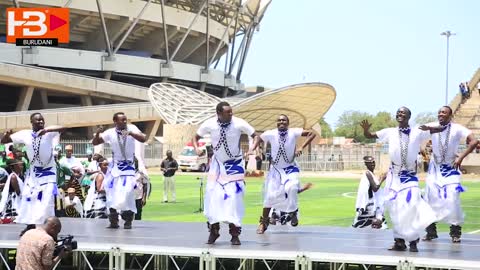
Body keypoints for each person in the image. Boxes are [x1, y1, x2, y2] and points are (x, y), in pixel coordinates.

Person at [361, 107, 437, 252]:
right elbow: (370, 135)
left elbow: (439, 128)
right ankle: (399, 242)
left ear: (409, 116)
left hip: (409, 177)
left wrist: (431, 127)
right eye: (398, 112)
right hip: (394, 176)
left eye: (403, 112)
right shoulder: (389, 131)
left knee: (411, 207)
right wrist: (365, 130)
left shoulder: (418, 131)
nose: (399, 114)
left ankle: (413, 241)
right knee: (395, 209)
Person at [192, 101, 258, 245]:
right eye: (227, 112)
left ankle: (234, 233)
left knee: (234, 195)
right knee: (211, 194)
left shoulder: (238, 123)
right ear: (219, 113)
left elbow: (255, 135)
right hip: (217, 163)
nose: (231, 114)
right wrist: (197, 148)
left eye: (231, 111)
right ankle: (213, 230)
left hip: (234, 163)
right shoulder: (209, 124)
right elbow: (196, 137)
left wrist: (252, 148)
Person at [1, 113, 65, 236]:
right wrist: (7, 135)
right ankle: (30, 226)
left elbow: (63, 128)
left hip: (48, 171)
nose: (41, 122)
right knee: (29, 197)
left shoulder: (49, 133)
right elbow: (4, 141)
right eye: (38, 120)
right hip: (34, 172)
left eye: (42, 120)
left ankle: (50, 228)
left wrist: (46, 130)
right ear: (32, 122)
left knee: (46, 198)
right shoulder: (25, 134)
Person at [250, 114, 316, 234]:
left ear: (288, 122)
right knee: (269, 196)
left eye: (284, 120)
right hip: (275, 170)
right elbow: (258, 138)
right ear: (277, 122)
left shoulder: (293, 132)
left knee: (292, 187)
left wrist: (301, 147)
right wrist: (254, 150)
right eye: (279, 120)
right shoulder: (271, 133)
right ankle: (263, 223)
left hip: (290, 167)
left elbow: (312, 133)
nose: (281, 122)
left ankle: (293, 211)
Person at [423, 106, 479, 243]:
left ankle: (455, 232)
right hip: (435, 168)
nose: (440, 114)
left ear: (450, 116)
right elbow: (418, 130)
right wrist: (429, 135)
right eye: (439, 112)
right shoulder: (432, 125)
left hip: (451, 167)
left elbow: (474, 141)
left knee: (453, 197)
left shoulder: (458, 128)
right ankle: (431, 232)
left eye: (444, 112)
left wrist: (461, 158)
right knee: (430, 198)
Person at [92, 112, 146, 229]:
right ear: (115, 121)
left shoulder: (131, 128)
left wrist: (130, 133)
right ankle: (113, 220)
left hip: (129, 167)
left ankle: (128, 220)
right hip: (115, 167)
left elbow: (143, 138)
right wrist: (97, 133)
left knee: (128, 193)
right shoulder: (110, 132)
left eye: (126, 120)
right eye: (122, 120)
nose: (125, 122)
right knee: (111, 192)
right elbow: (95, 142)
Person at [352, 156, 387, 229]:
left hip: (373, 205)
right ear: (366, 164)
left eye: (373, 162)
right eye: (370, 163)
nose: (372, 164)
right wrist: (382, 179)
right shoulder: (368, 173)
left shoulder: (371, 174)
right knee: (372, 225)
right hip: (370, 206)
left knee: (376, 226)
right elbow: (375, 188)